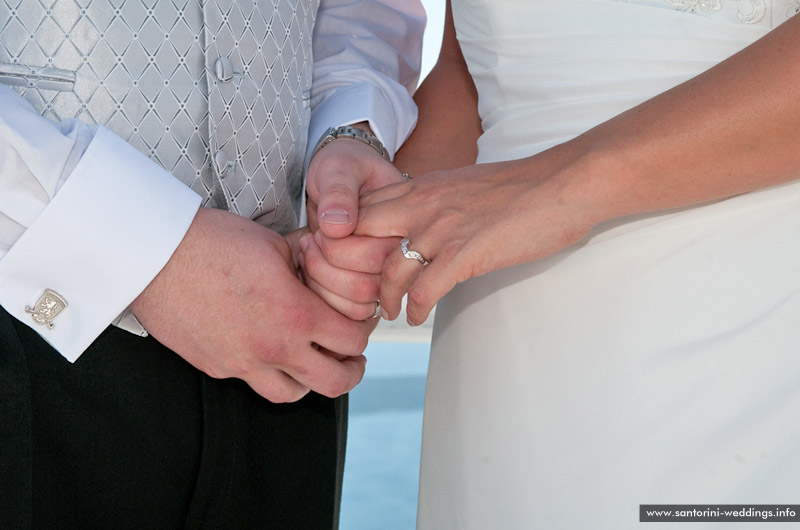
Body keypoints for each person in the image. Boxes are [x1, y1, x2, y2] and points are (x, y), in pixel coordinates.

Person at [300, 0, 800, 528]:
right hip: (500, 346)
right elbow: (468, 71)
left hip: (734, 310)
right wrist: (366, 232)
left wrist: (556, 190)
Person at [0, 1, 423, 528]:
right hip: (24, 319)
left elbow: (359, 15)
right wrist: (148, 247)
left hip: (284, 340)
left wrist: (350, 130)